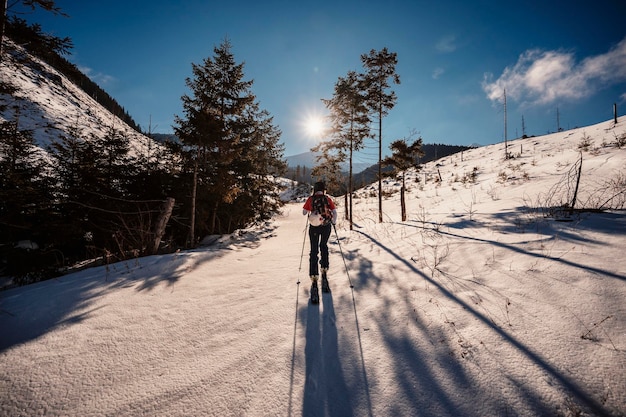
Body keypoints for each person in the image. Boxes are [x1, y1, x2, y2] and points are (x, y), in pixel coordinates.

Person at [302, 181, 337, 291]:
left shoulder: (311, 199)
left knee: (314, 249)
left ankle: (313, 274)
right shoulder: (327, 199)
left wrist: (310, 211)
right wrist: (334, 222)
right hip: (326, 226)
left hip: (314, 227)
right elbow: (334, 212)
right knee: (324, 246)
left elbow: (304, 212)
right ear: (323, 189)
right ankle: (324, 267)